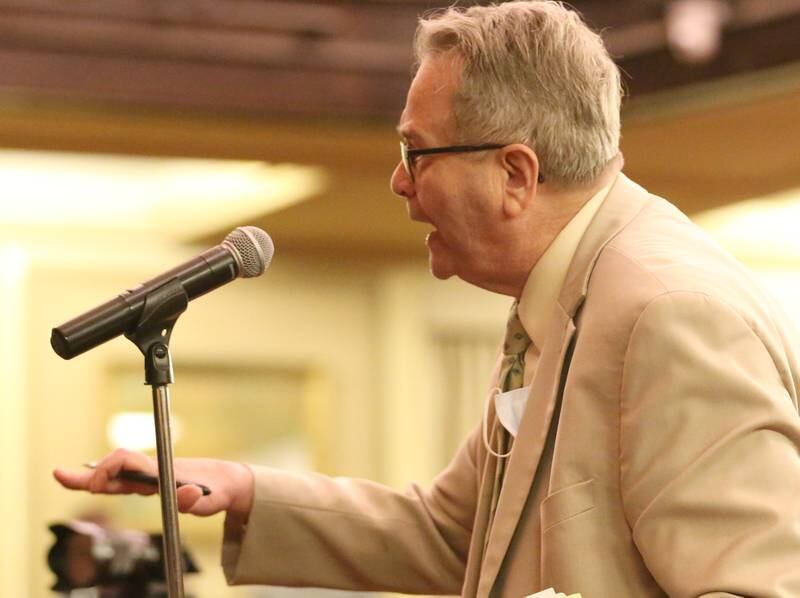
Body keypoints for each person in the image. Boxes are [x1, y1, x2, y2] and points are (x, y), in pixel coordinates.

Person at [55, 1, 800, 596]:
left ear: (515, 173)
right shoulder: (564, 295)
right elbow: (458, 537)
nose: (399, 181)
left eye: (417, 153)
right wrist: (243, 489)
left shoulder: (670, 313)